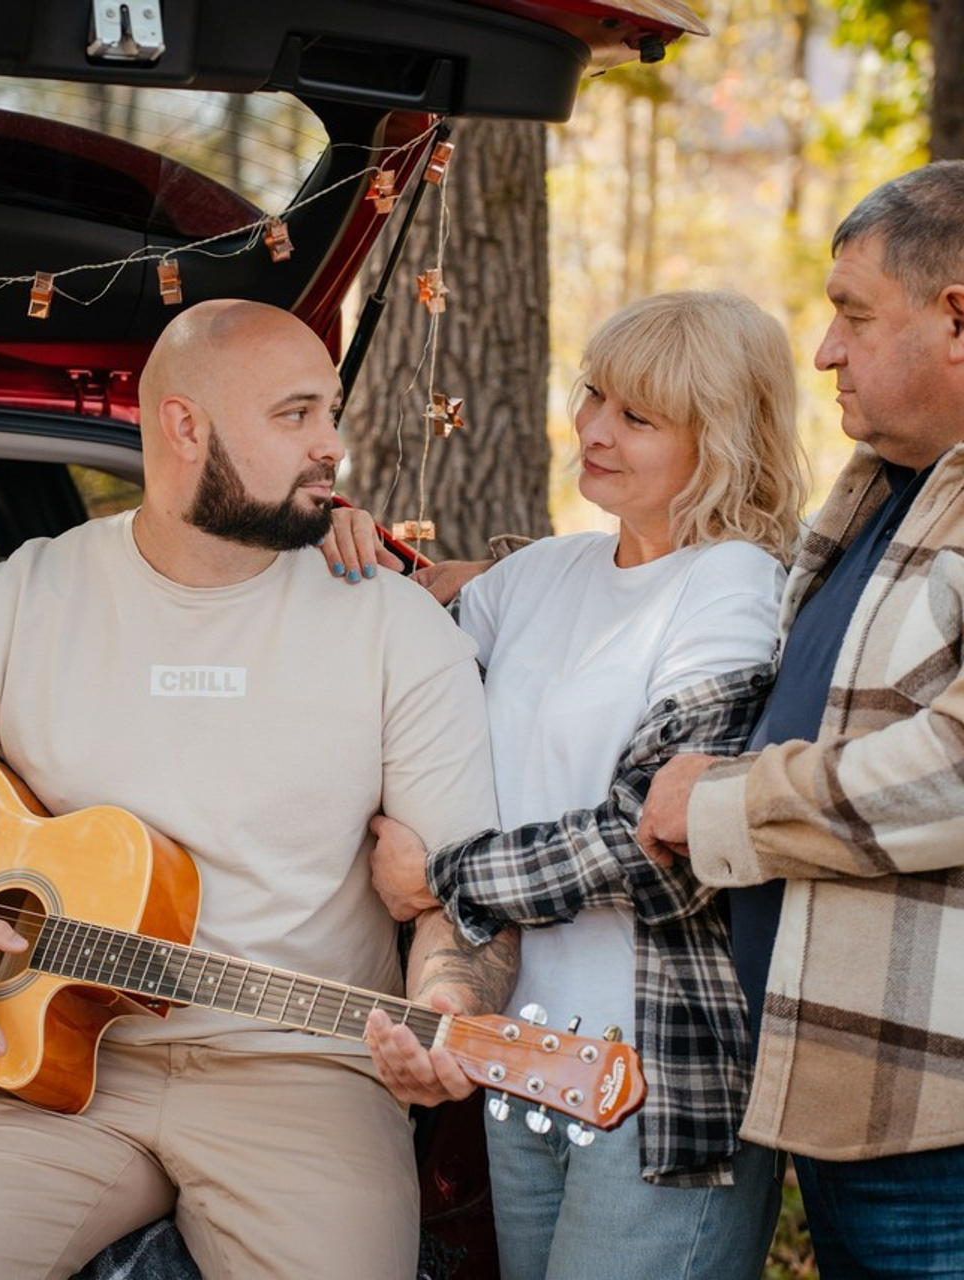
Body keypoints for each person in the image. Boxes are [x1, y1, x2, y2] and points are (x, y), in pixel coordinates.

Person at [0, 299, 519, 1280]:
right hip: (40, 1071)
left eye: (330, 412)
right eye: (296, 414)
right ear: (186, 426)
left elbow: (466, 897)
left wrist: (442, 1012)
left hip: (303, 1075)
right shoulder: (26, 596)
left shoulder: (395, 630)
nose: (333, 446)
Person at [331, 290, 809, 1279]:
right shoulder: (544, 573)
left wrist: (446, 875)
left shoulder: (731, 584)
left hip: (658, 1078)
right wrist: (326, 543)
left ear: (716, 437)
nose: (590, 427)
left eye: (635, 416)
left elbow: (663, 845)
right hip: (522, 1056)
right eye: (593, 394)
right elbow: (393, 680)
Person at [637, 161, 964, 1276]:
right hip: (846, 1094)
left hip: (940, 1126)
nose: (823, 349)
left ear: (956, 318)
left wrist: (719, 803)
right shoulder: (891, 483)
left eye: (851, 313)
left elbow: (955, 768)